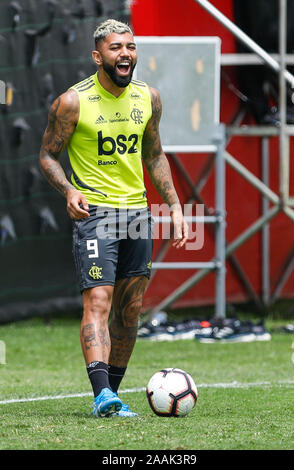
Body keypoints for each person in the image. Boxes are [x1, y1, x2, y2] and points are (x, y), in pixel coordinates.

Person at [39, 19, 188, 418]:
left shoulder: (148, 98)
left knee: (131, 308)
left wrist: (174, 205)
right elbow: (47, 155)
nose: (125, 53)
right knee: (99, 300)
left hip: (137, 213)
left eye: (131, 46)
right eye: (115, 47)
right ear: (97, 56)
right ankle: (102, 393)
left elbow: (154, 154)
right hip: (97, 214)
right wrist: (69, 189)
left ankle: (112, 396)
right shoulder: (72, 102)